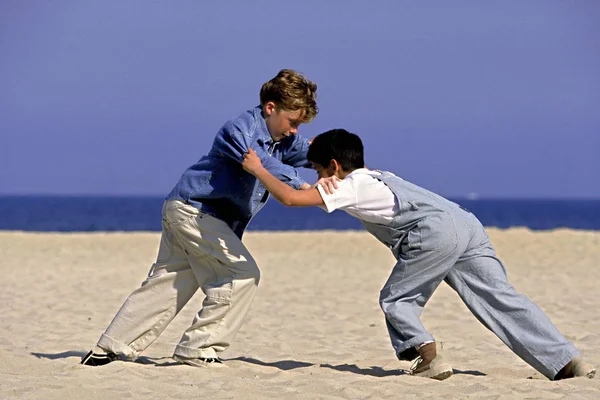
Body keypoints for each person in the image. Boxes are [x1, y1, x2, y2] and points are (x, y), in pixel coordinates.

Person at [240, 128, 596, 381]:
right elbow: (320, 186)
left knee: (396, 300)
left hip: (435, 233)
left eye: (319, 170)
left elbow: (291, 199)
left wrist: (257, 169)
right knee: (501, 298)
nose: (318, 177)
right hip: (465, 225)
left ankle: (429, 356)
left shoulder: (350, 187)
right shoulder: (378, 176)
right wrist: (314, 174)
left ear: (334, 166)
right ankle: (567, 361)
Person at [81, 69, 334, 368]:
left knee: (171, 280)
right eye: (293, 122)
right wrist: (305, 187)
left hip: (193, 214)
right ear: (270, 108)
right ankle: (199, 348)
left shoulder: (280, 139)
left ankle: (107, 349)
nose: (294, 131)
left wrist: (337, 160)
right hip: (195, 211)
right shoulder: (239, 130)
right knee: (241, 274)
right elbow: (260, 163)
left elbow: (310, 153)